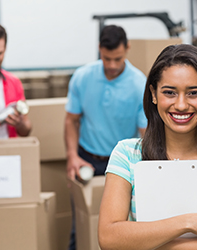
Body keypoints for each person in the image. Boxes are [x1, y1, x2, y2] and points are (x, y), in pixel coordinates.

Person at [98, 44, 197, 250]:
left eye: (193, 93)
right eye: (170, 92)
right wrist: (190, 222)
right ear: (153, 94)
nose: (181, 105)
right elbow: (109, 238)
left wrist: (148, 242)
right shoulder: (127, 154)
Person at [64, 25, 147, 250]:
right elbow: (71, 120)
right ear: (99, 49)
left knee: (122, 226)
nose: (111, 65)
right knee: (80, 225)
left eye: (117, 59)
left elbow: (145, 134)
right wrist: (72, 156)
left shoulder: (140, 84)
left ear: (127, 49)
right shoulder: (82, 77)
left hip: (122, 165)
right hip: (86, 161)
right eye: (106, 58)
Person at [0, 23, 31, 139]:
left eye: (0, 53)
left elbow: (25, 131)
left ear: (5, 49)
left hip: (9, 151)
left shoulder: (14, 82)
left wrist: (20, 123)